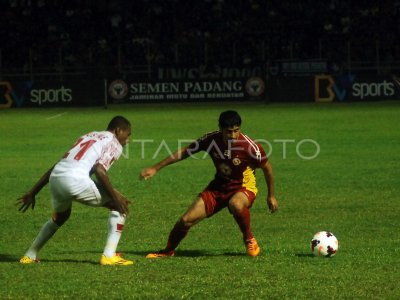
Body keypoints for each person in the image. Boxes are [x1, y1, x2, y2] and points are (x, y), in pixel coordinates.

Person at [140, 110, 278, 258]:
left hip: (243, 187)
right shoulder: (211, 139)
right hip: (218, 187)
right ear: (220, 128)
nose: (232, 136)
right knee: (185, 221)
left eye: (236, 131)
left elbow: (267, 168)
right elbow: (186, 151)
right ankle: (168, 251)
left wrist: (271, 195)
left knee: (236, 204)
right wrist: (156, 167)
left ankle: (249, 239)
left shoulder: (251, 147)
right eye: (228, 132)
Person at [17, 116, 134, 266]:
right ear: (118, 130)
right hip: (75, 180)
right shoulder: (114, 142)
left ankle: (29, 255)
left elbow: (58, 165)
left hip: (57, 178)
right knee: (120, 207)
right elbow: (100, 171)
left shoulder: (88, 136)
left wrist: (33, 192)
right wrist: (116, 199)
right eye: (128, 134)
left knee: (60, 217)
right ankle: (109, 256)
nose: (128, 139)